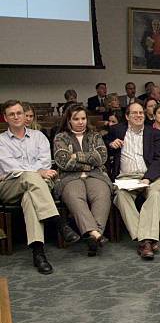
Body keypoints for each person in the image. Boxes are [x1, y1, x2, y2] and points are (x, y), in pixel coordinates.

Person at [0, 100, 79, 274]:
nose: (16, 116)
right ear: (5, 118)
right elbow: (11, 168)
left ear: (24, 114)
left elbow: (45, 163)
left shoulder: (39, 136)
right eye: (11, 114)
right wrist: (38, 172)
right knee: (29, 176)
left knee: (30, 196)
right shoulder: (1, 141)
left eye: (19, 113)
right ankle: (58, 221)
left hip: (36, 188)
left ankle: (38, 253)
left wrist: (38, 171)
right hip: (9, 187)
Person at [106, 102, 160, 260]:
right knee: (120, 196)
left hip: (151, 176)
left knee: (155, 194)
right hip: (126, 178)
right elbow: (102, 147)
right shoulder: (116, 131)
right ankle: (146, 239)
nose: (139, 115)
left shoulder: (154, 133)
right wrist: (111, 145)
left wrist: (148, 178)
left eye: (141, 112)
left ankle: (144, 242)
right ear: (127, 116)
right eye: (134, 113)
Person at [53, 104, 113, 257]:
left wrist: (76, 156)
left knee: (102, 194)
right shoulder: (61, 137)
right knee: (75, 196)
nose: (81, 122)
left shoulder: (95, 135)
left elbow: (101, 157)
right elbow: (63, 162)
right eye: (76, 119)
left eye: (83, 118)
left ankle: (93, 236)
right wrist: (89, 159)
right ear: (69, 121)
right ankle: (95, 233)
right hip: (69, 178)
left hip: (95, 175)